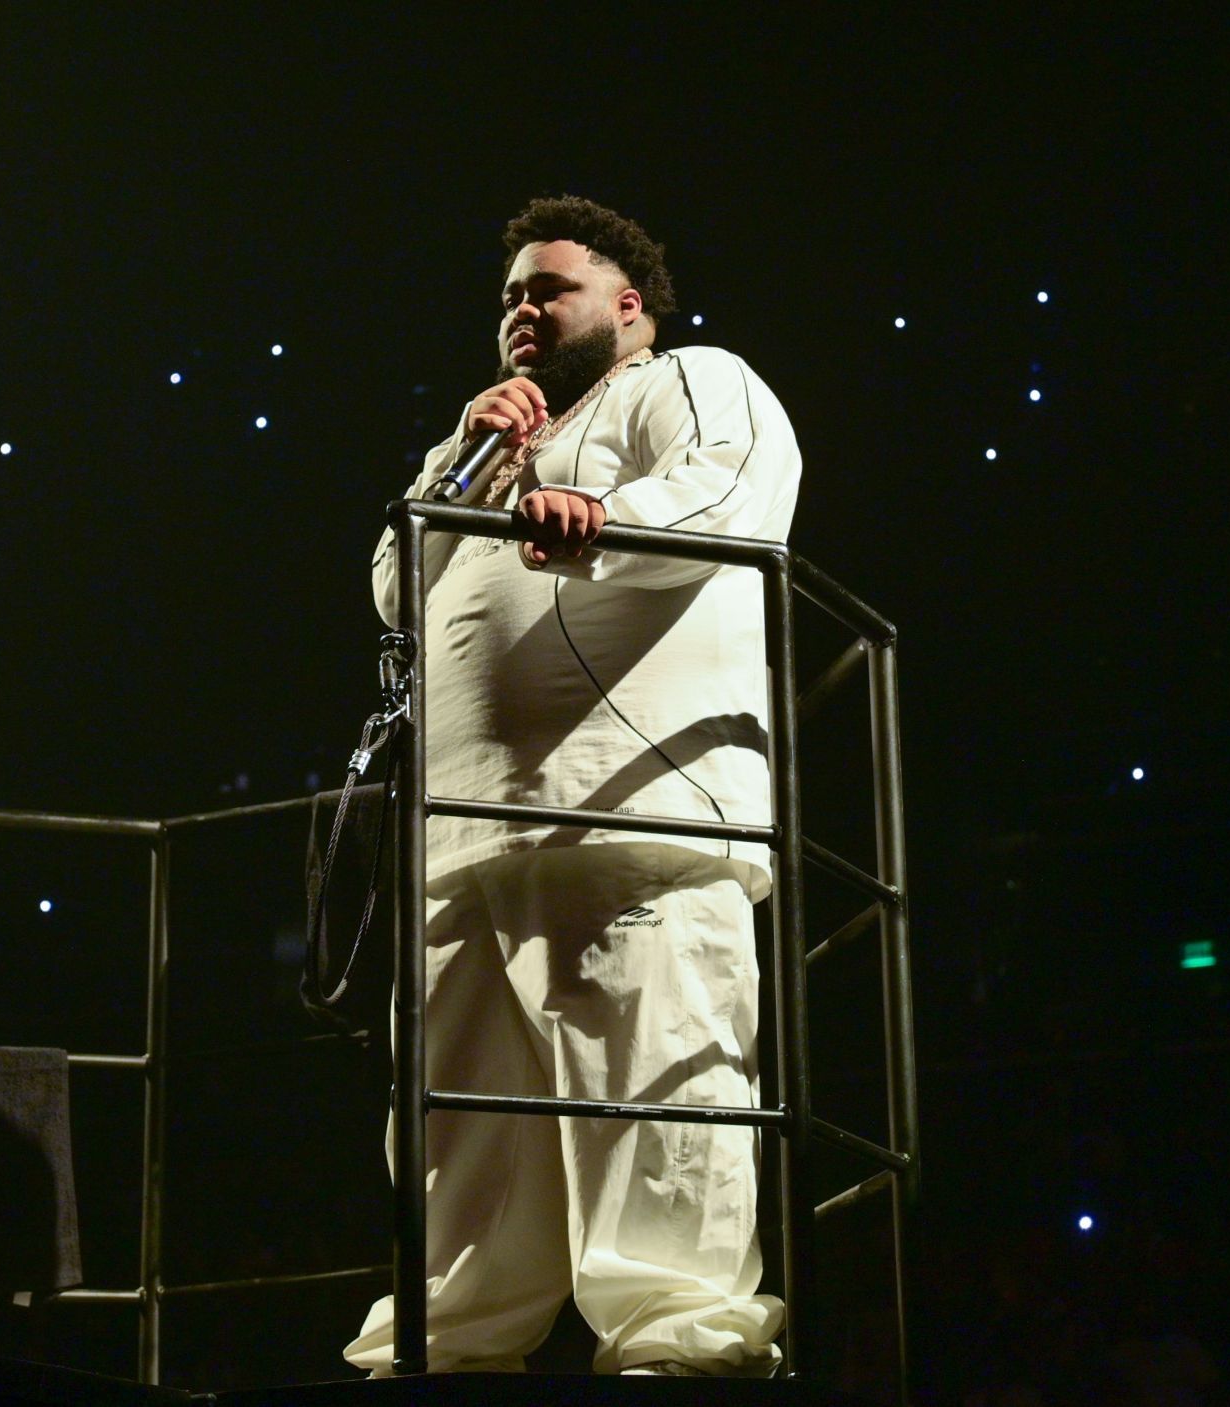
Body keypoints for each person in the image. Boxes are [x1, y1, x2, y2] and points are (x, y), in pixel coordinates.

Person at [345, 195, 803, 1378]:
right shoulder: (492, 438)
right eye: (508, 298)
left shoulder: (690, 378)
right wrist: (472, 454)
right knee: (460, 1137)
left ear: (629, 305)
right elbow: (400, 585)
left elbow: (733, 488)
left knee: (649, 1097)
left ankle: (679, 1352)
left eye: (547, 289)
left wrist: (599, 516)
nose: (521, 312)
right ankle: (441, 1352)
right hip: (464, 828)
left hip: (628, 804)